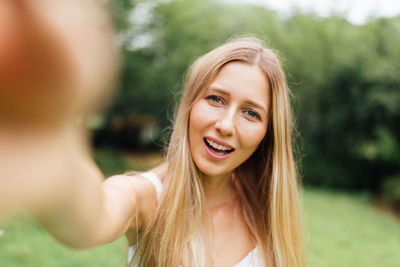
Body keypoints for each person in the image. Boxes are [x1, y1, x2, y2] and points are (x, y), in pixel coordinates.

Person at [0, 2, 305, 267]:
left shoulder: (268, 207)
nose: (226, 125)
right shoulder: (145, 198)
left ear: (268, 132)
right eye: (216, 99)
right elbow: (88, 219)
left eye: (251, 113)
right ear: (189, 105)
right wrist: (50, 140)